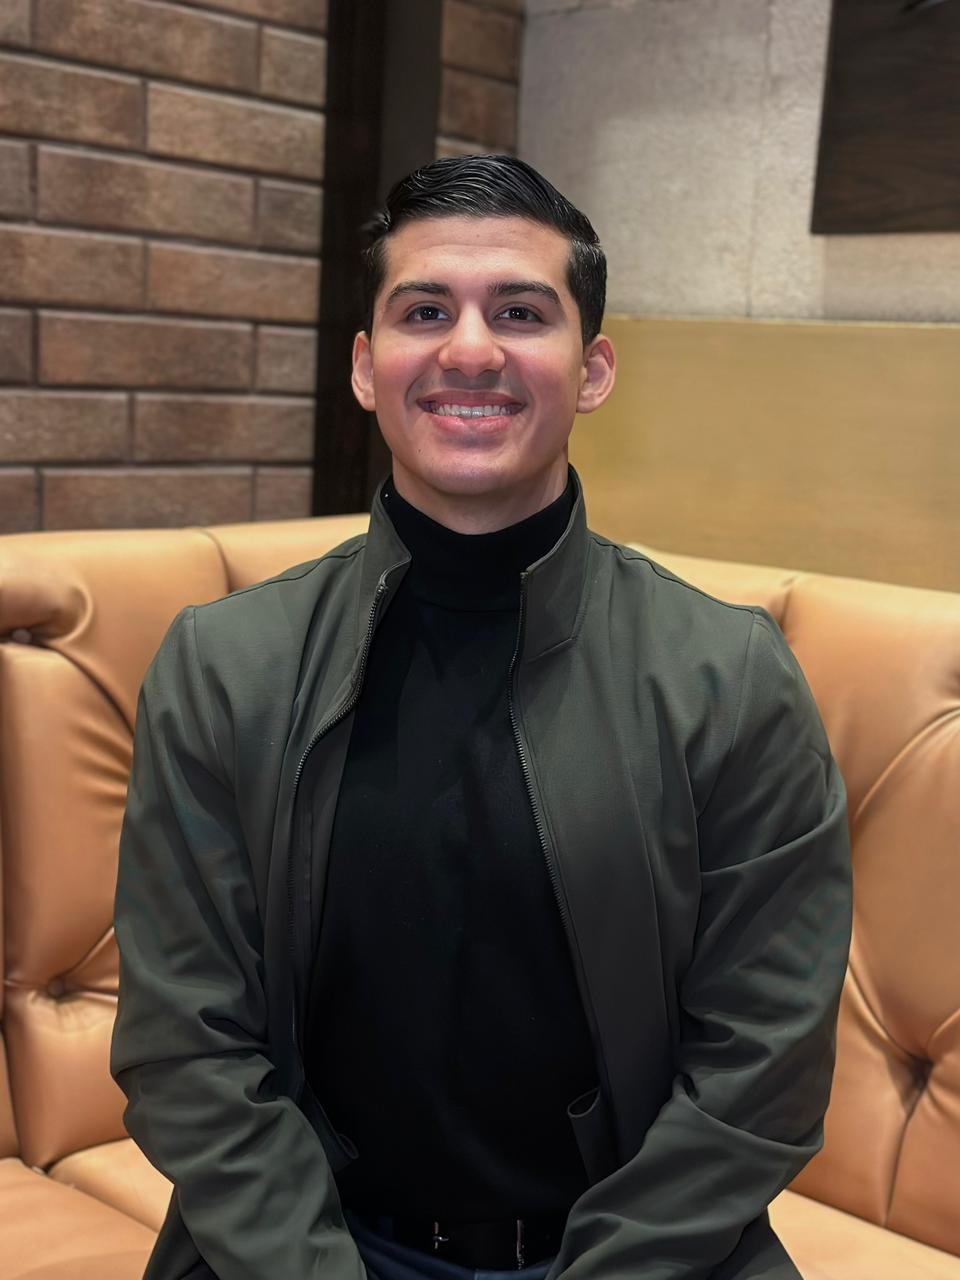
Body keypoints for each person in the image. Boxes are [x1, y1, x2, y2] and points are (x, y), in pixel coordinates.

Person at [111, 154, 853, 1280]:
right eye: (424, 311)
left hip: (645, 1257)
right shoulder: (224, 667)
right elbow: (184, 1043)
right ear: (365, 367)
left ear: (592, 370)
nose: (469, 349)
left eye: (520, 312)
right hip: (303, 1251)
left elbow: (765, 1065)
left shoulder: (732, 678)